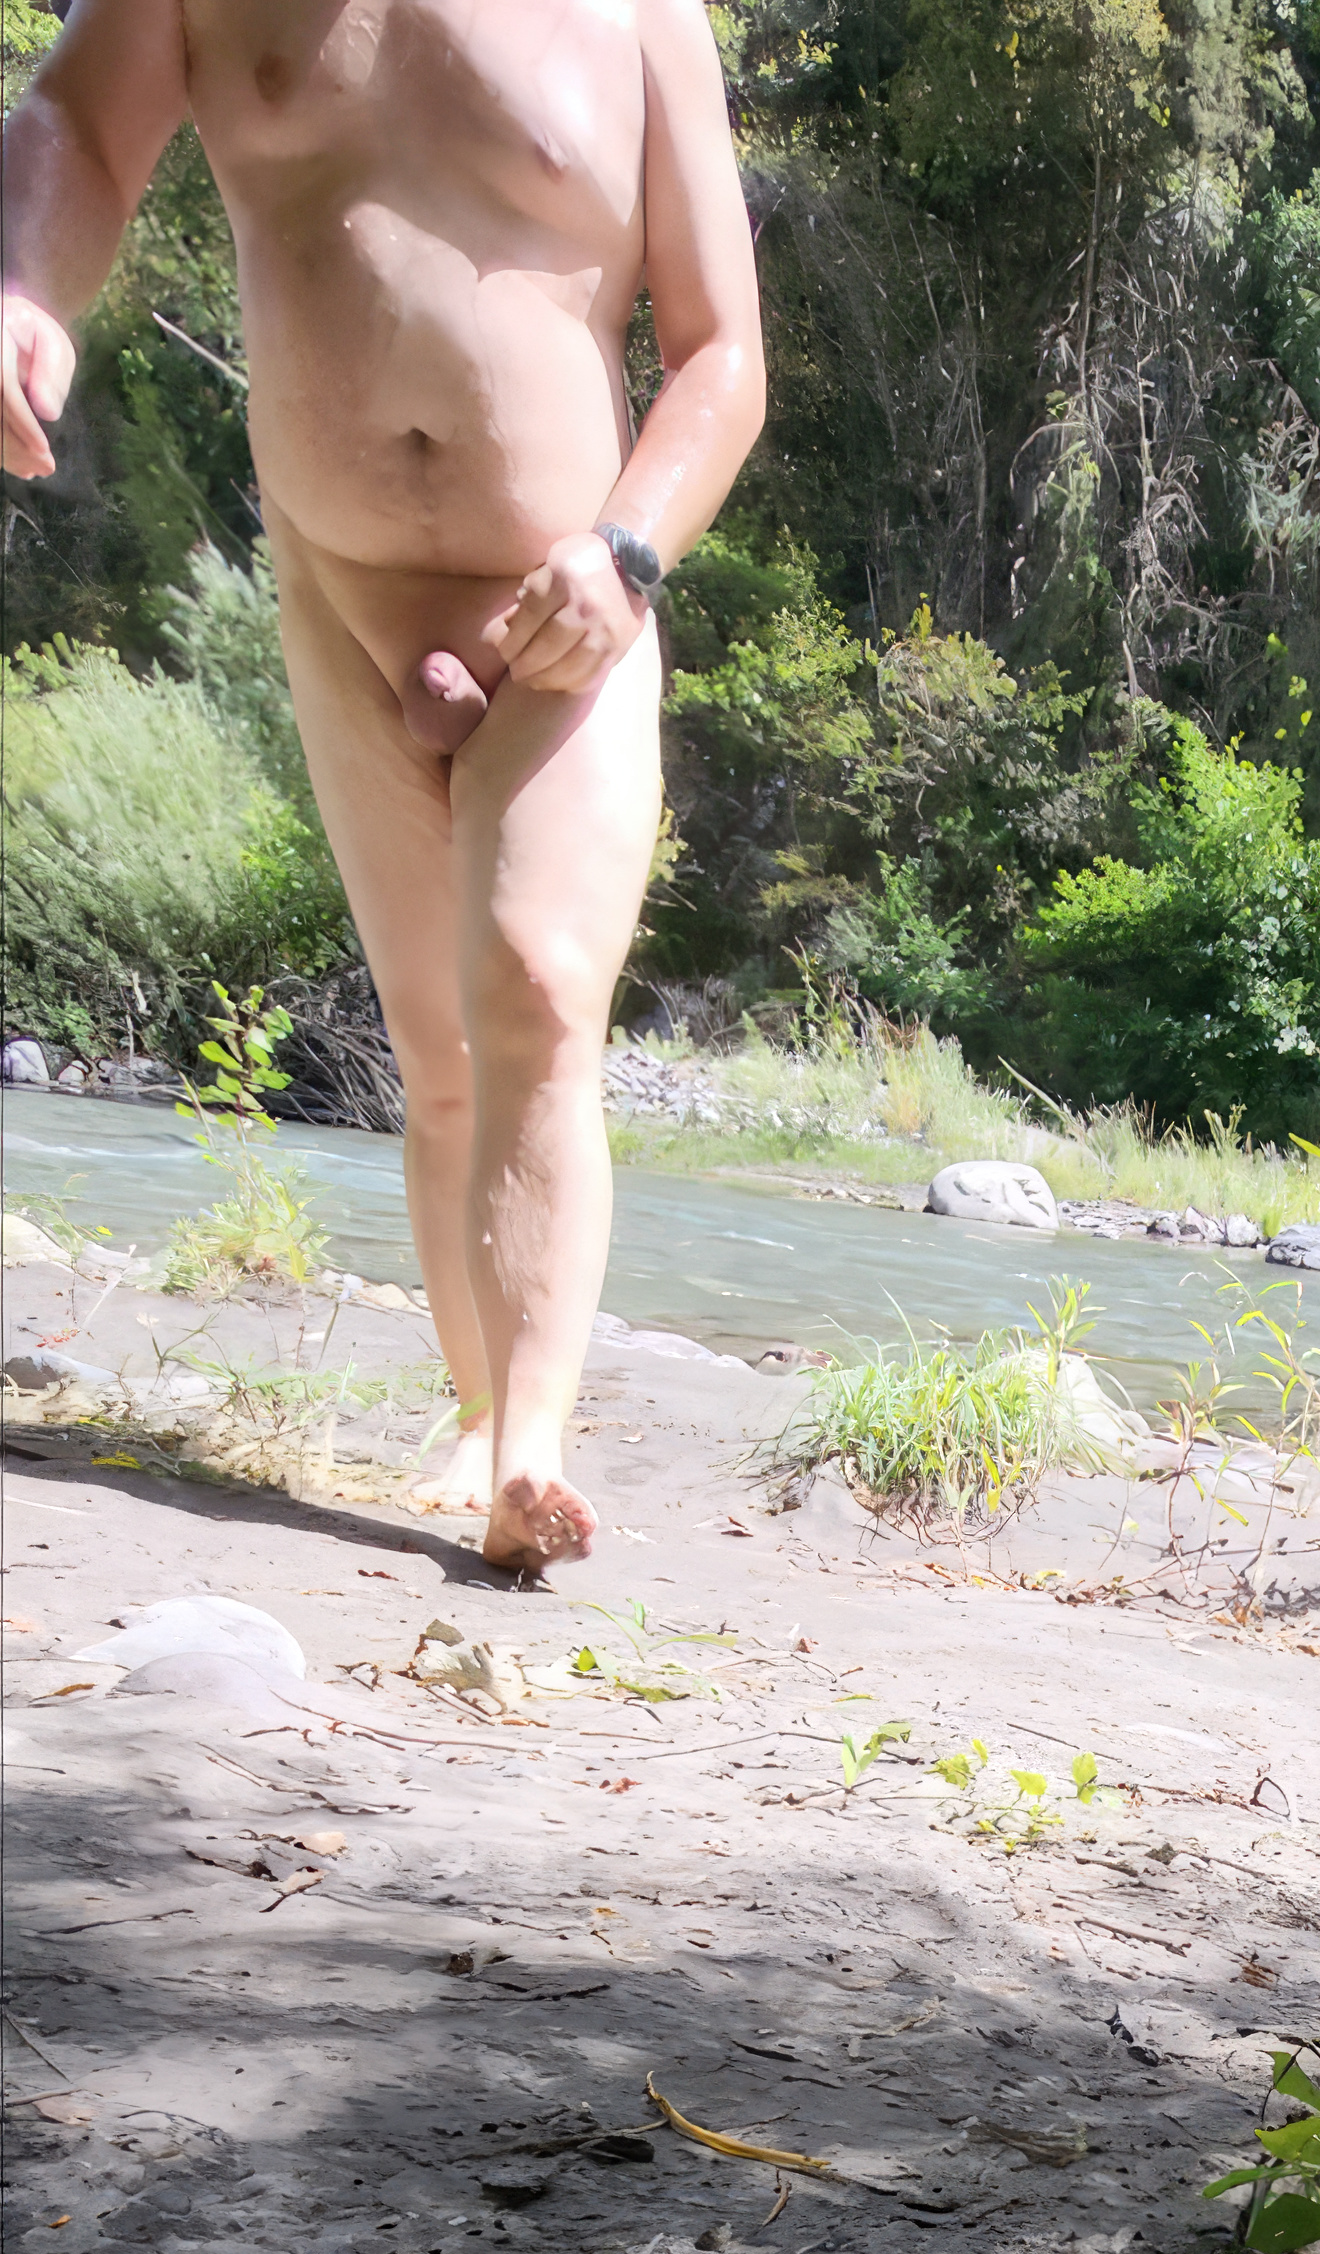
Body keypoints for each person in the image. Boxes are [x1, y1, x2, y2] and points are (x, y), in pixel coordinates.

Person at [1, 2, 765, 1576]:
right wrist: (23, 283)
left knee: (540, 995)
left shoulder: (639, 17)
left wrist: (629, 555)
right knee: (434, 1054)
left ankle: (538, 1441)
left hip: (571, 612)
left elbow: (724, 354)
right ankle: (484, 1420)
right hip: (340, 602)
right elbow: (75, 128)